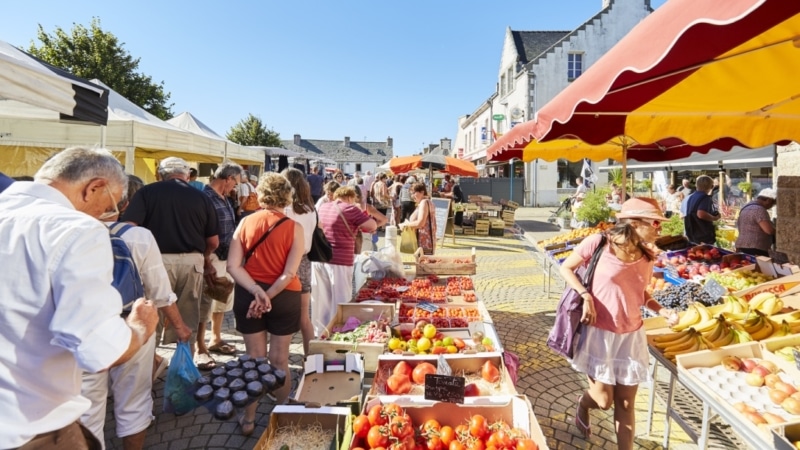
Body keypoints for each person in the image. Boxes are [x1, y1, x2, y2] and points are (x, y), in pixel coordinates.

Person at [0, 146, 159, 449]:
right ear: (94, 187)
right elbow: (99, 350)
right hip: (31, 429)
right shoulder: (75, 228)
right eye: (109, 206)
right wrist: (140, 328)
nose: (106, 216)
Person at [81, 175, 192, 450]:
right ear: (127, 203)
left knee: (87, 409)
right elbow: (160, 292)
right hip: (133, 324)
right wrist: (180, 327)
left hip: (83, 328)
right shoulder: (139, 237)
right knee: (134, 401)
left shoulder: (70, 231)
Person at [559, 198, 679, 450]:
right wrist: (585, 295)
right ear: (634, 223)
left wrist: (662, 310)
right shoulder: (599, 243)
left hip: (631, 335)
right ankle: (583, 404)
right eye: (655, 222)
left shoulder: (647, 256)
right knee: (604, 400)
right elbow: (567, 268)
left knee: (625, 403)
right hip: (599, 333)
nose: (659, 228)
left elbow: (641, 293)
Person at [121, 157, 219, 369]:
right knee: (188, 318)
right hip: (192, 262)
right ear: (187, 175)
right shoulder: (201, 197)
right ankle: (184, 369)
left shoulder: (146, 192)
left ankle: (148, 368)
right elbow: (213, 241)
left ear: (159, 174)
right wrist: (204, 256)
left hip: (155, 260)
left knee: (151, 316)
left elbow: (129, 226)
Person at [226, 173, 304, 436]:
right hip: (283, 297)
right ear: (287, 196)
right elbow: (289, 274)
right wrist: (267, 295)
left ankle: (248, 420)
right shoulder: (295, 227)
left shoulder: (245, 222)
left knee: (254, 359)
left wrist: (256, 292)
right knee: (280, 359)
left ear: (260, 194)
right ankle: (284, 412)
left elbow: (233, 266)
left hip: (249, 294)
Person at [310, 186, 378, 336]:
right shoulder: (350, 209)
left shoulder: (323, 206)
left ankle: (321, 332)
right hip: (339, 259)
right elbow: (372, 225)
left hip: (319, 258)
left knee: (322, 299)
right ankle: (340, 332)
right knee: (341, 299)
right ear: (350, 197)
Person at [196, 163, 243, 369]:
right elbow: (200, 232)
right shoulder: (204, 198)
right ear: (228, 178)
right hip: (211, 256)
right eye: (235, 183)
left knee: (222, 297)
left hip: (226, 255)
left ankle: (215, 338)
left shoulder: (225, 198)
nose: (235, 187)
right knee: (205, 301)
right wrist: (206, 261)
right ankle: (200, 346)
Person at [281, 168, 317, 355]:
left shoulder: (286, 210)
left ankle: (281, 359)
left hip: (286, 261)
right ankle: (310, 360)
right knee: (304, 317)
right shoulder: (310, 209)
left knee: (282, 317)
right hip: (304, 261)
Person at [735, 188, 777, 256]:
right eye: (772, 204)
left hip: (742, 246)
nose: (771, 207)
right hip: (755, 248)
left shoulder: (746, 207)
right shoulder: (759, 210)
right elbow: (768, 230)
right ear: (768, 200)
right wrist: (778, 231)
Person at [400, 182, 438, 255]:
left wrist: (405, 225)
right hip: (426, 241)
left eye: (414, 193)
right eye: (411, 193)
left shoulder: (424, 202)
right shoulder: (427, 202)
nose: (412, 196)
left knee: (423, 264)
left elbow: (420, 223)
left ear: (422, 192)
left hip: (424, 242)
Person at [683, 175, 720, 244]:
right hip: (702, 234)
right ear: (711, 186)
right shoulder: (705, 198)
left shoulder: (691, 197)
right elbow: (701, 214)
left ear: (697, 185)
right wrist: (714, 218)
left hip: (691, 232)